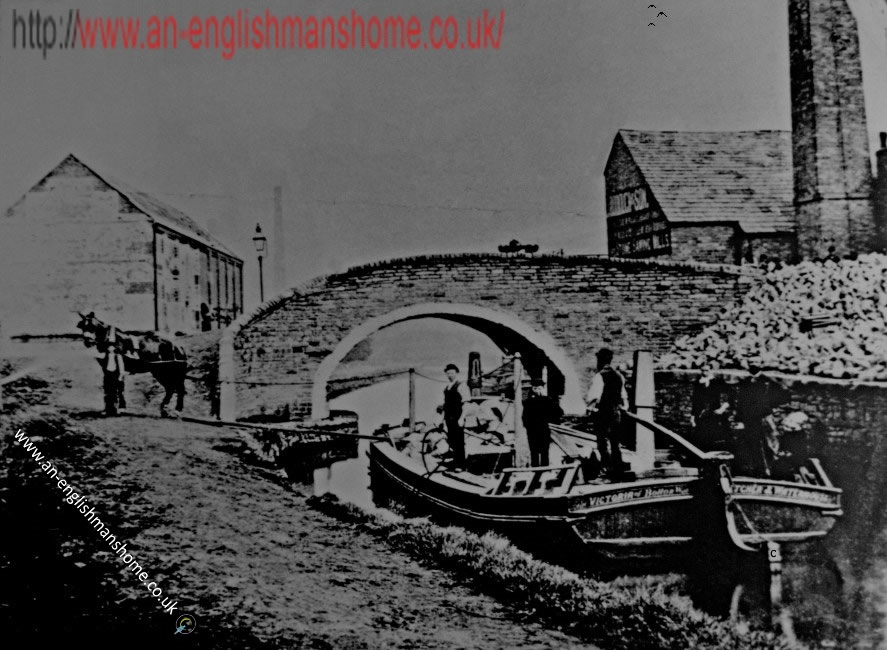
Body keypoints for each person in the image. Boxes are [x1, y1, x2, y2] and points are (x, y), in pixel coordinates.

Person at [733, 364, 791, 476]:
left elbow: (784, 394)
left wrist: (771, 408)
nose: (752, 366)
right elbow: (740, 402)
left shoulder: (768, 382)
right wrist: (739, 419)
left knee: (768, 443)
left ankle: (769, 470)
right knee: (751, 443)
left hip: (764, 418)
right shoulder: (745, 382)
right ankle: (755, 470)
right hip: (749, 419)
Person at [585, 348, 629, 475]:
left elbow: (595, 396)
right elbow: (623, 395)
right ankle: (618, 468)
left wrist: (589, 409)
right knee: (615, 443)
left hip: (603, 413)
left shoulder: (599, 376)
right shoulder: (618, 376)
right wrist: (624, 407)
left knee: (602, 442)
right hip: (616, 413)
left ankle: (607, 469)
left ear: (600, 360)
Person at [522, 378, 563, 467]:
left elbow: (559, 412)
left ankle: (542, 470)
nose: (539, 390)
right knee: (536, 452)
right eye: (537, 388)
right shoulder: (532, 401)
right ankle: (538, 471)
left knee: (542, 452)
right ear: (534, 388)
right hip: (536, 429)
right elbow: (525, 418)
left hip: (540, 429)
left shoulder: (545, 400)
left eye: (540, 388)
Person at [689, 366, 732, 451]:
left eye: (707, 370)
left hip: (714, 413)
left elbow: (730, 396)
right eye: (703, 370)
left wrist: (722, 409)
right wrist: (692, 417)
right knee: (701, 436)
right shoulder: (698, 383)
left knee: (714, 435)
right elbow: (695, 401)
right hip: (701, 414)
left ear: (711, 371)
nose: (705, 373)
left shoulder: (717, 382)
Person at [437, 363, 470, 466]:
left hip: (457, 417)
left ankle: (461, 464)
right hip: (448, 418)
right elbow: (446, 405)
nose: (450, 375)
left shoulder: (462, 385)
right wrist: (441, 420)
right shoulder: (447, 387)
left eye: (452, 373)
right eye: (448, 373)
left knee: (459, 441)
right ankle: (455, 461)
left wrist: (461, 418)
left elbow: (466, 403)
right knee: (451, 440)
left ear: (456, 373)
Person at [99, 339, 126, 416]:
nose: (110, 348)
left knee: (117, 392)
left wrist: (120, 376)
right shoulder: (105, 356)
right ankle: (107, 409)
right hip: (108, 375)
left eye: (112, 347)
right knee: (107, 393)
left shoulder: (118, 356)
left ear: (115, 348)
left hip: (116, 375)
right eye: (109, 347)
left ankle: (117, 409)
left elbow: (121, 367)